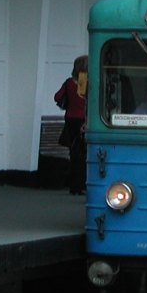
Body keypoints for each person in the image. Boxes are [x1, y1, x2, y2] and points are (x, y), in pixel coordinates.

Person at [54, 55, 87, 194]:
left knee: (74, 153)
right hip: (83, 121)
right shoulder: (84, 82)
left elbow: (57, 97)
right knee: (83, 154)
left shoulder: (68, 83)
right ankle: (81, 185)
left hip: (70, 120)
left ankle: (73, 186)